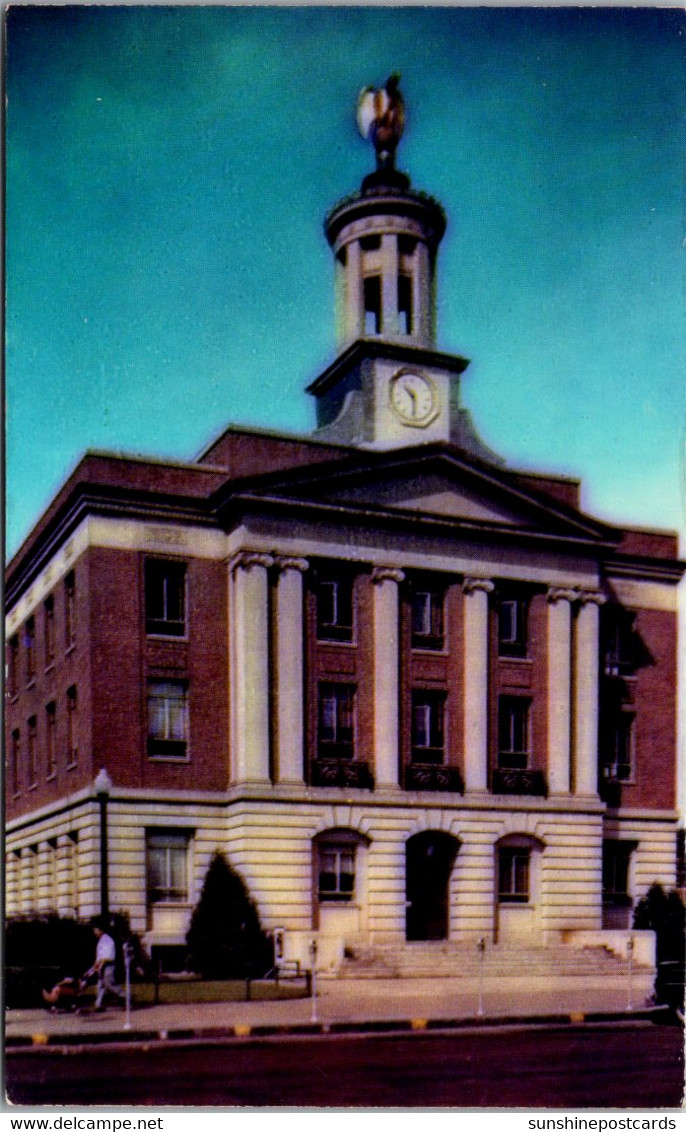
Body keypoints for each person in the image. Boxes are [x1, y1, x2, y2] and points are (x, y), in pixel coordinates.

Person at [85, 919, 125, 1011]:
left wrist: (100, 966)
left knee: (109, 984)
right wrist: (93, 968)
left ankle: (124, 997)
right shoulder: (100, 941)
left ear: (101, 931)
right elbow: (99, 956)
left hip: (108, 966)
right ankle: (98, 1005)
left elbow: (106, 956)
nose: (94, 932)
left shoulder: (107, 940)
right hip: (102, 966)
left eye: (96, 930)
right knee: (100, 986)